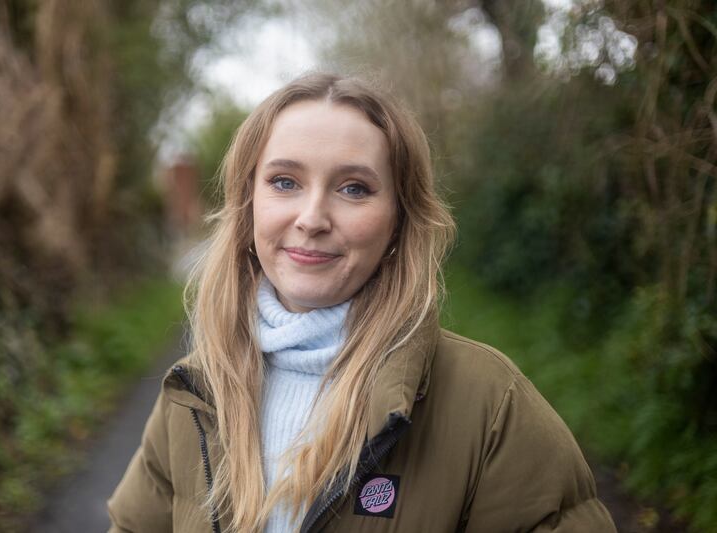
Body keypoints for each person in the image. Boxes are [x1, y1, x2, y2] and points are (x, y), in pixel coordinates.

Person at [107, 73, 616, 533]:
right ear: (248, 204)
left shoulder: (490, 403)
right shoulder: (196, 392)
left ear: (398, 221)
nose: (312, 217)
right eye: (285, 182)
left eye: (354, 188)